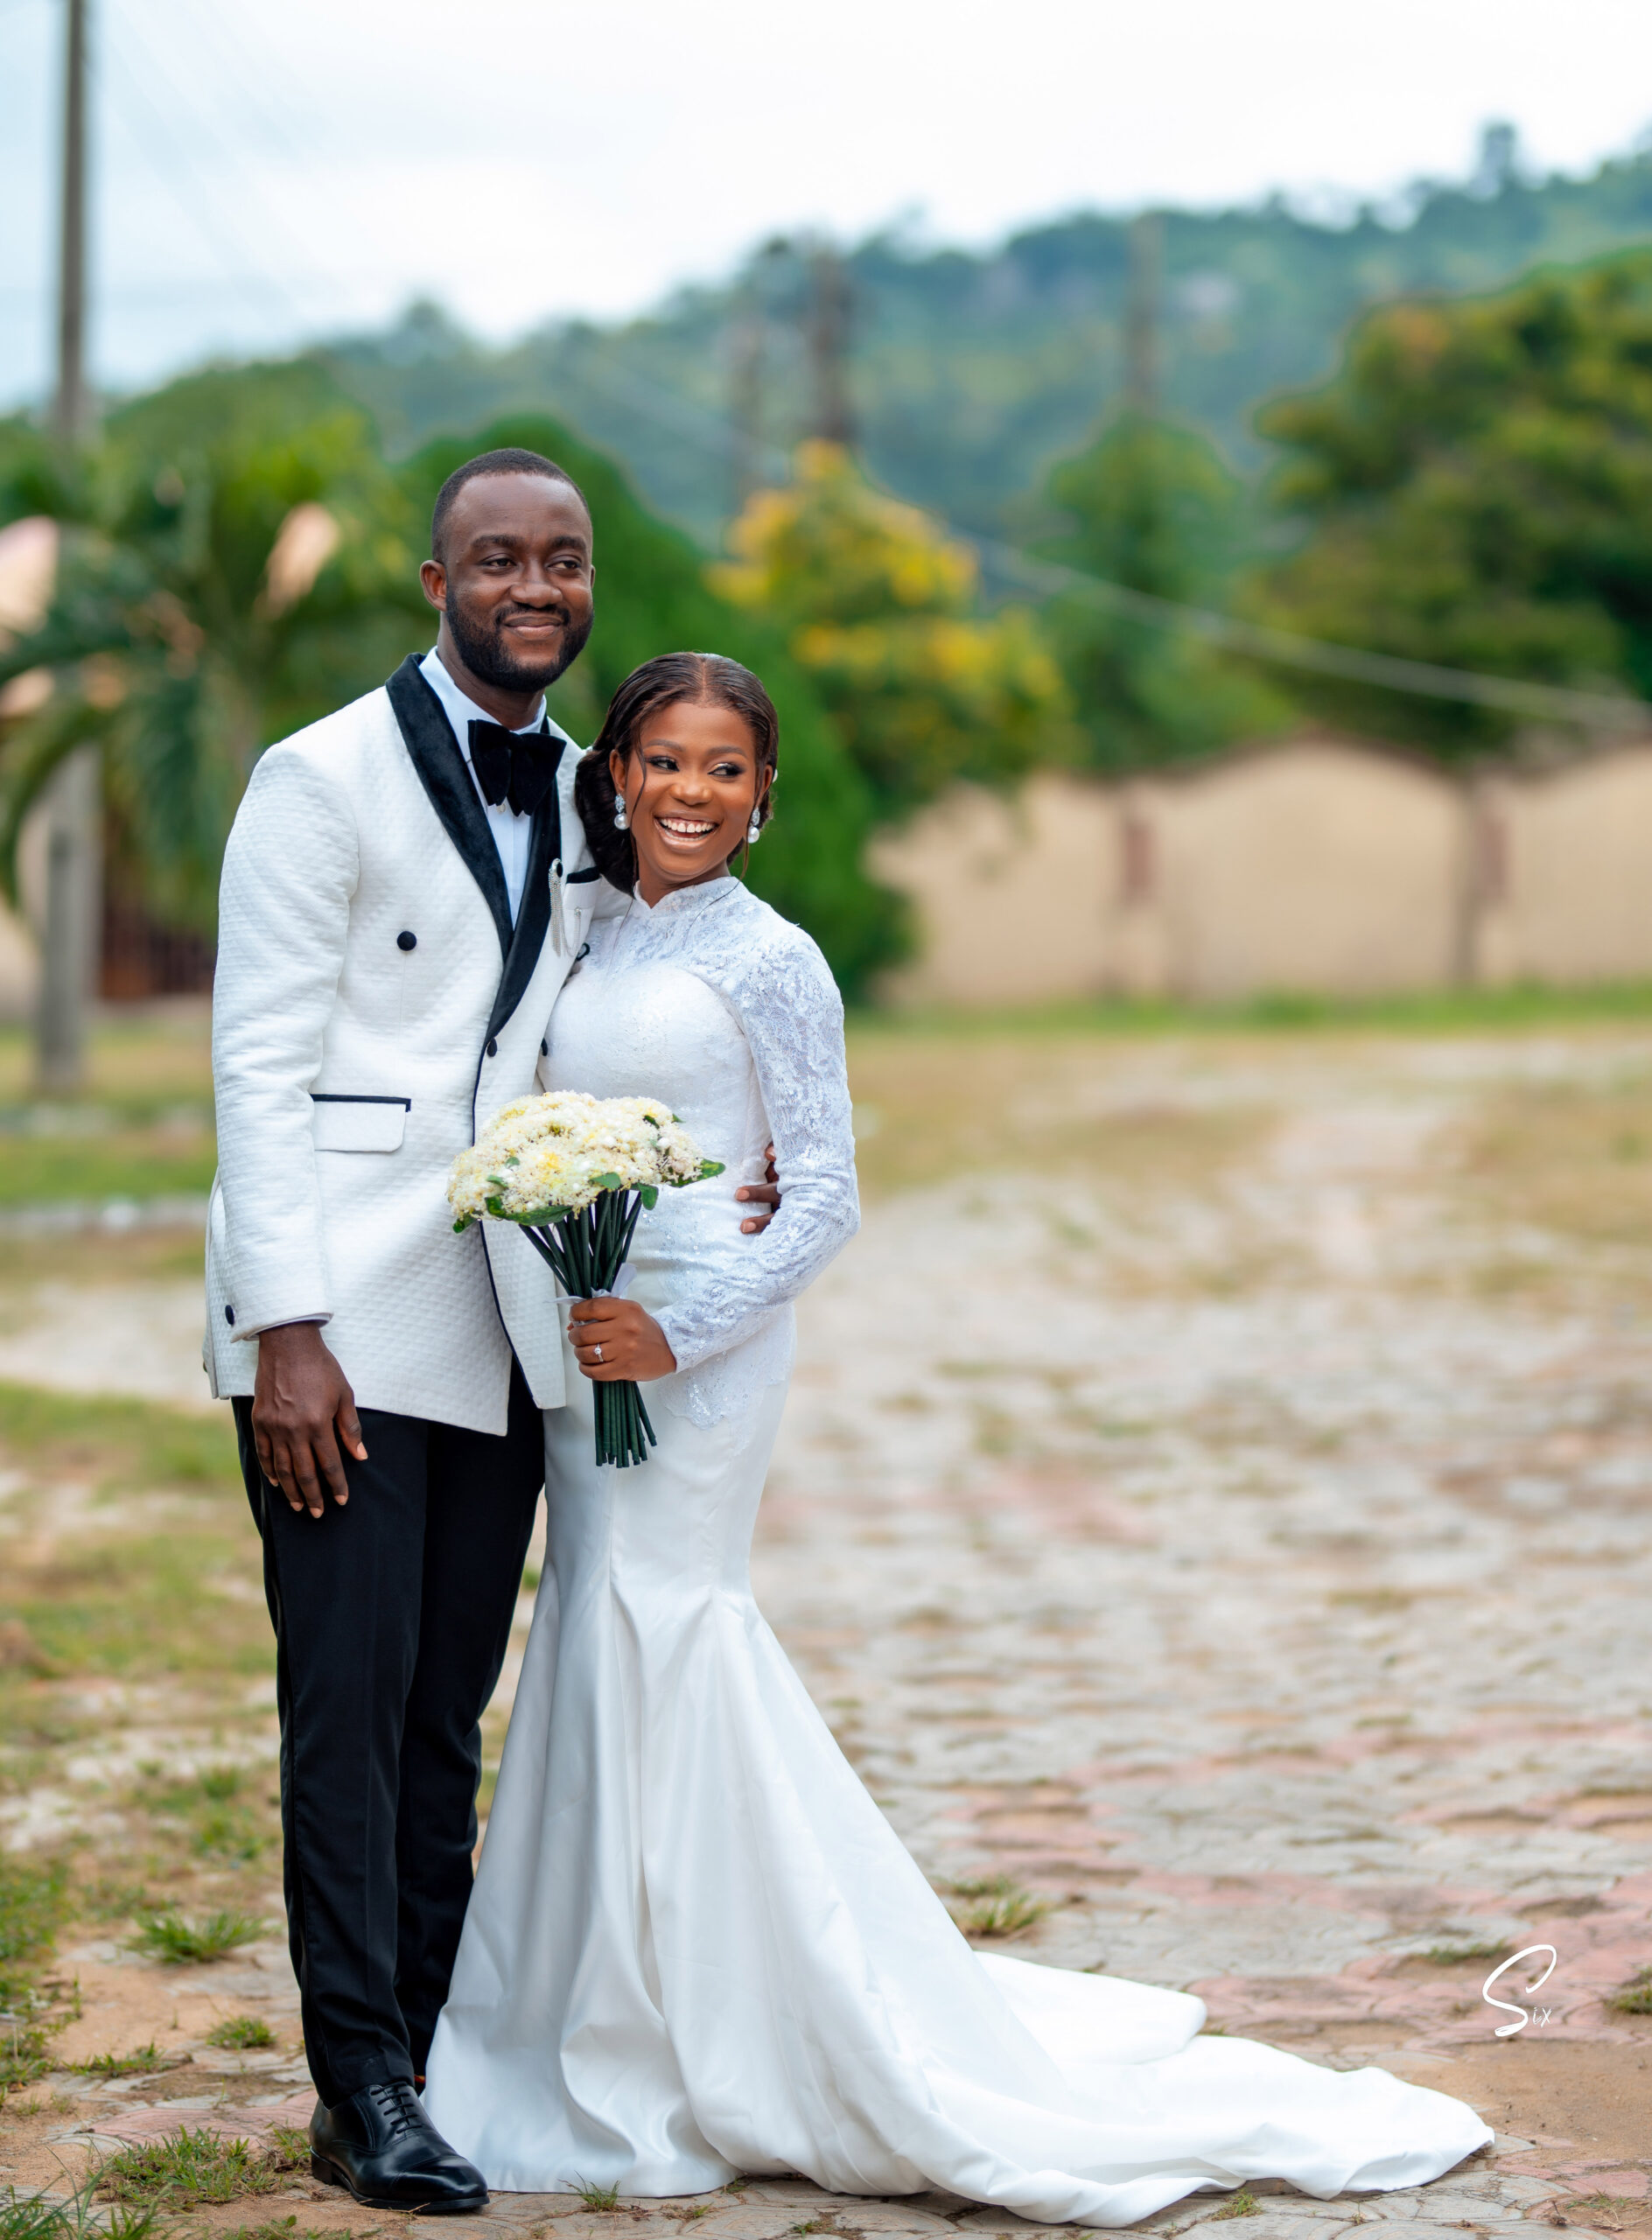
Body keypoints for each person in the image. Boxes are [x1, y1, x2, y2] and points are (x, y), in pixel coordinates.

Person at [420, 652, 1491, 2225]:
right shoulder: (591, 928)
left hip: (695, 1355)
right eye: (663, 760)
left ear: (765, 796)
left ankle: (717, 2020)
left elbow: (830, 1193)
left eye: (727, 770)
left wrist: (682, 1328)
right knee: (590, 1626)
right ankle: (582, 1996)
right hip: (587, 1344)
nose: (691, 794)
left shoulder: (776, 961)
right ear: (619, 771)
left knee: (674, 1624)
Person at [205, 455, 776, 2215]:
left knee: (450, 1705)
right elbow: (255, 1057)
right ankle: (357, 2081)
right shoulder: (320, 778)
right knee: (349, 1710)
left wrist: (743, 1168)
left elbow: (657, 981)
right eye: (498, 558)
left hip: (508, 1307)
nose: (535, 585)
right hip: (347, 1318)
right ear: (434, 576)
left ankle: (439, 2042)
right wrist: (282, 1327)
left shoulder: (589, 792)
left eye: (565, 558)